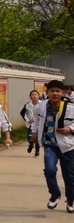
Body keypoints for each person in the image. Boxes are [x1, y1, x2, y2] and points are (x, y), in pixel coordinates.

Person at [31, 80, 74, 212]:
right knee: (49, 170)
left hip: (67, 147)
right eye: (52, 91)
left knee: (70, 176)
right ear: (47, 92)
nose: (55, 93)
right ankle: (55, 194)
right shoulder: (40, 107)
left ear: (63, 93)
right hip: (50, 145)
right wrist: (34, 133)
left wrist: (70, 129)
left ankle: (71, 200)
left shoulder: (70, 108)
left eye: (58, 91)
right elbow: (36, 121)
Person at [24, 90, 41, 159]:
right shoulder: (27, 105)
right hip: (30, 124)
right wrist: (28, 120)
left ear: (38, 96)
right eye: (33, 94)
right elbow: (25, 114)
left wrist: (37, 119)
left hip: (38, 124)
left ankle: (37, 152)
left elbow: (43, 114)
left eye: (36, 94)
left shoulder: (42, 104)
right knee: (29, 138)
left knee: (37, 138)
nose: (34, 96)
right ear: (30, 96)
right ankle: (31, 144)